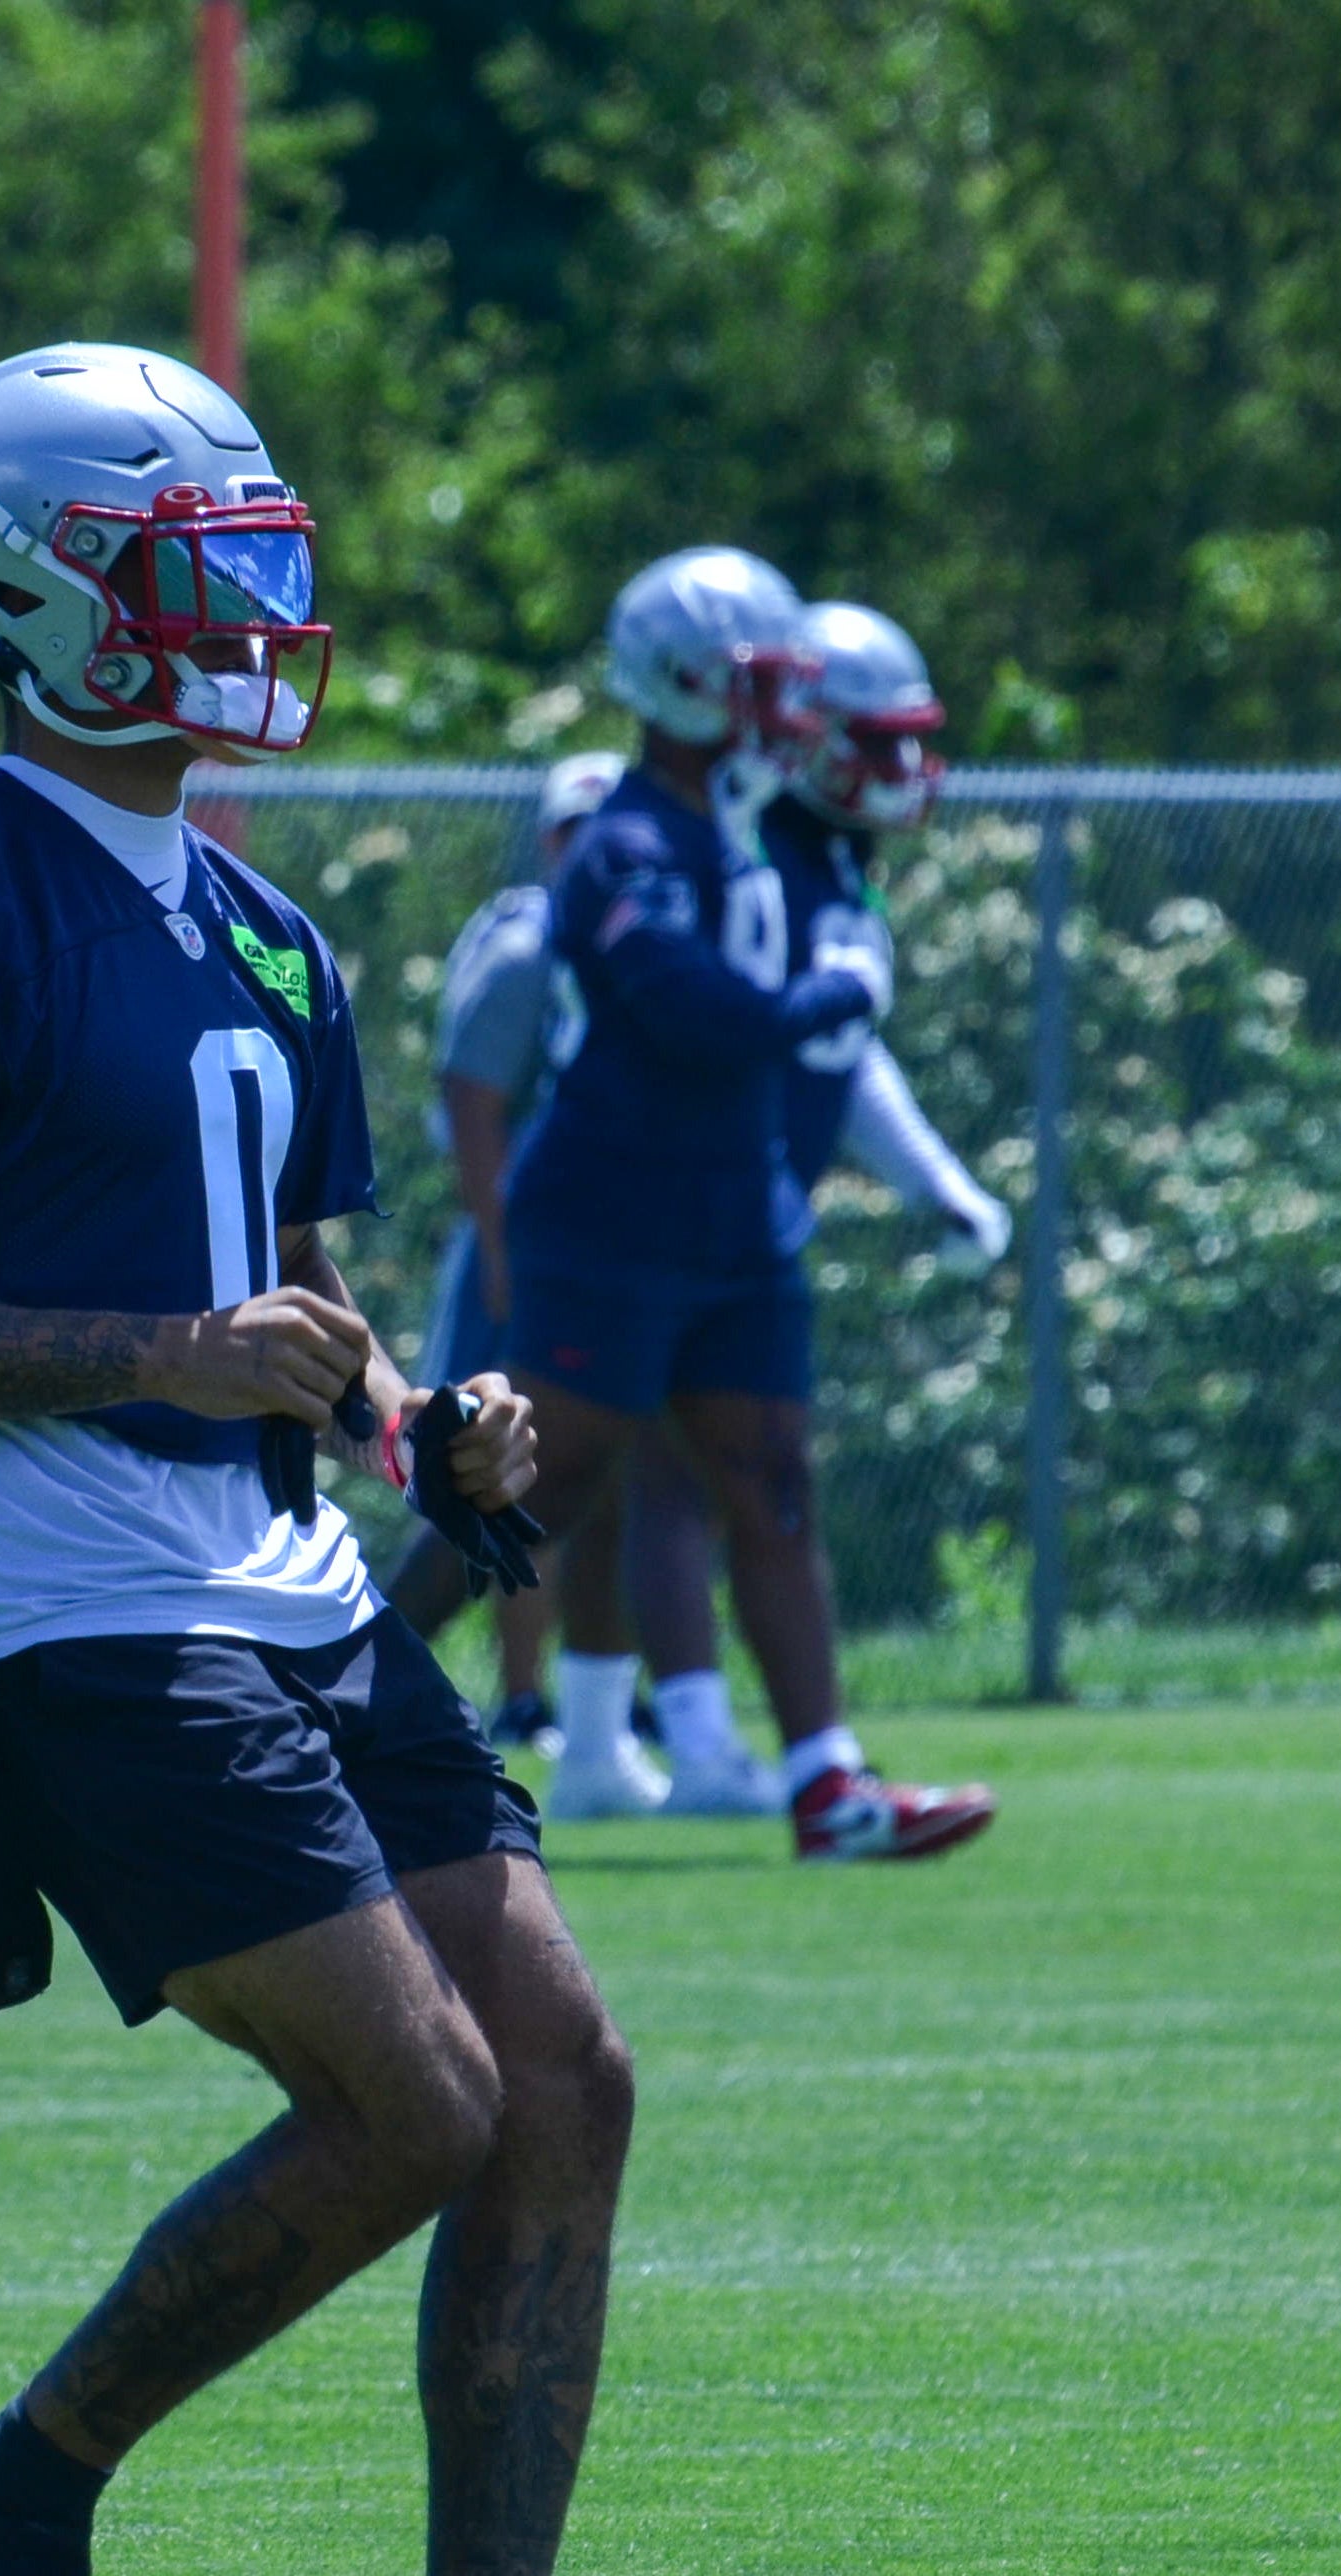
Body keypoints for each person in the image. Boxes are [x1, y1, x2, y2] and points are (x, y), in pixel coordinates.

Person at [0, 338, 777, 2576]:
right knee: (410, 2099)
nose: (232, 624)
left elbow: (297, 1313)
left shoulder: (267, 929)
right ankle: (12, 2502)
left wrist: (433, 1423)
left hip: (276, 1574)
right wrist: (162, 1353)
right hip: (55, 1601)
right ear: (30, 599)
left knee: (559, 2085)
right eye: (173, 576)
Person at [497, 547, 995, 1863]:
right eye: (771, 685)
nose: (796, 715)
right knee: (536, 1486)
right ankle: (341, 1700)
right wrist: (828, 995)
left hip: (735, 1218)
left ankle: (818, 1778)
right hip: (622, 1216)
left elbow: (816, 1057)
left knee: (762, 1480)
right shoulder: (656, 836)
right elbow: (708, 1023)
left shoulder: (754, 829)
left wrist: (932, 1176)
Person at [380, 751, 708, 1816]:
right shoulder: (531, 945)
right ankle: (403, 1689)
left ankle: (590, 1728)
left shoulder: (637, 945)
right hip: (524, 1251)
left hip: (607, 1255)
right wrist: (507, 1255)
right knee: (497, 1471)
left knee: (591, 1476)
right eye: (573, 829)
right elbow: (472, 1105)